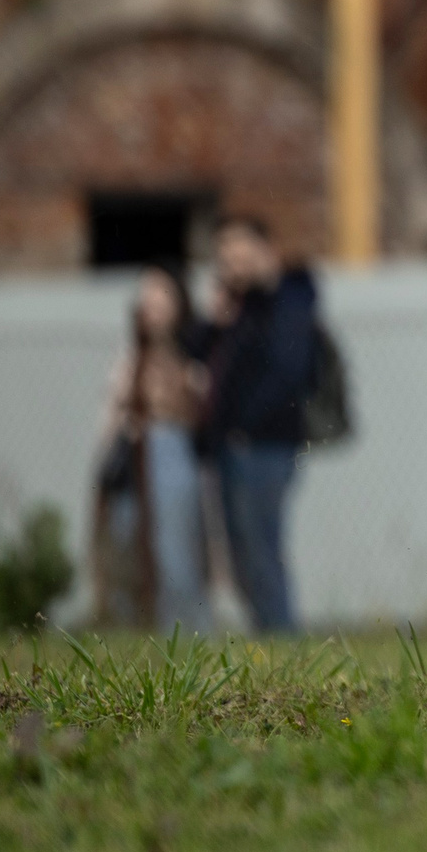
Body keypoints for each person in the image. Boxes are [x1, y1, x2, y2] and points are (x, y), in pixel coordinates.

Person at [200, 215, 317, 633]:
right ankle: (266, 635)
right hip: (234, 445)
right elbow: (199, 353)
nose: (231, 266)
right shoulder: (238, 309)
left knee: (260, 547)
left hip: (266, 445)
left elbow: (288, 371)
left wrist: (245, 426)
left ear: (263, 251)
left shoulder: (288, 299)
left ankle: (281, 637)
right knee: (241, 551)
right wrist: (215, 321)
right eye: (224, 258)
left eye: (239, 255)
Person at [94, 264, 215, 632]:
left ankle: (186, 634)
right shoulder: (131, 359)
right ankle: (129, 635)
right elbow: (112, 416)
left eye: (160, 295)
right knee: (124, 545)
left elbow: (200, 411)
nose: (150, 303)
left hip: (172, 456)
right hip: (131, 463)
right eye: (145, 296)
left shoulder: (193, 357)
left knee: (175, 553)